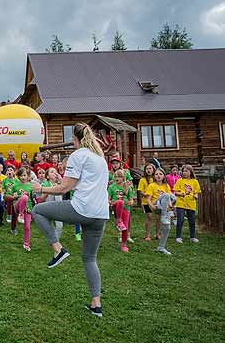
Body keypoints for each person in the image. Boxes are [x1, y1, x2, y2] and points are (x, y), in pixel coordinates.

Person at [32, 123, 109, 317]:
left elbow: (64, 189)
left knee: (38, 211)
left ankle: (58, 250)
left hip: (82, 209)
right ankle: (96, 304)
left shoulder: (78, 155)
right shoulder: (100, 158)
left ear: (75, 139)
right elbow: (78, 184)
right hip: (100, 214)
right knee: (90, 258)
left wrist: (40, 189)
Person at [145, 168, 174, 255]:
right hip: (156, 204)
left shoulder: (166, 186)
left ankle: (161, 247)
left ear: (164, 176)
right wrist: (152, 206)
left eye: (160, 174)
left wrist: (171, 205)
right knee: (165, 195)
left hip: (164, 207)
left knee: (167, 228)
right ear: (154, 176)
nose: (158, 176)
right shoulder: (152, 185)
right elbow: (148, 199)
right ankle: (165, 215)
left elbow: (169, 199)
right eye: (157, 174)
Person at [108, 169, 134, 252]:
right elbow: (108, 199)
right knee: (119, 202)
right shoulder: (112, 187)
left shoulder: (128, 187)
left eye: (119, 176)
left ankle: (123, 245)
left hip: (126, 208)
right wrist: (109, 202)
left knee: (125, 227)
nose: (117, 178)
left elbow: (131, 199)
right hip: (115, 205)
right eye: (115, 176)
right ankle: (119, 220)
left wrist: (130, 202)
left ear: (123, 178)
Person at [173, 165, 201, 244]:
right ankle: (178, 237)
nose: (184, 173)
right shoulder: (179, 181)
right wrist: (182, 194)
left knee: (192, 221)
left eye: (186, 171)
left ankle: (192, 237)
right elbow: (175, 192)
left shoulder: (194, 181)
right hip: (181, 203)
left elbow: (196, 192)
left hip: (191, 203)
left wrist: (195, 195)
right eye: (183, 171)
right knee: (180, 220)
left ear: (191, 172)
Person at [12, 167, 36, 252]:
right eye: (21, 175)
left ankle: (26, 244)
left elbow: (33, 198)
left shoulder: (30, 186)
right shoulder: (15, 185)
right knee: (24, 197)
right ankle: (20, 215)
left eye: (24, 175)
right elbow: (10, 196)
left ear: (28, 176)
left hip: (28, 208)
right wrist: (13, 196)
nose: (23, 177)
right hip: (18, 207)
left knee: (27, 227)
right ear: (18, 176)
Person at [137, 163, 157, 241]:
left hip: (155, 201)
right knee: (149, 217)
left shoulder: (155, 178)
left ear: (153, 170)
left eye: (150, 168)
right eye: (147, 169)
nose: (148, 170)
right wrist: (146, 195)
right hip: (146, 202)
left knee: (158, 218)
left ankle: (157, 234)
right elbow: (140, 190)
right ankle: (147, 235)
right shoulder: (143, 180)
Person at [2, 165, 19, 235]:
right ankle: (9, 214)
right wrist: (2, 196)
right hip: (7, 196)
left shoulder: (16, 180)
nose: (9, 171)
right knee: (10, 199)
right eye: (8, 170)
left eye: (11, 170)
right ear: (6, 172)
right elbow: (2, 189)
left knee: (14, 208)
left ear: (14, 172)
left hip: (15, 196)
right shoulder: (5, 180)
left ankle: (14, 228)